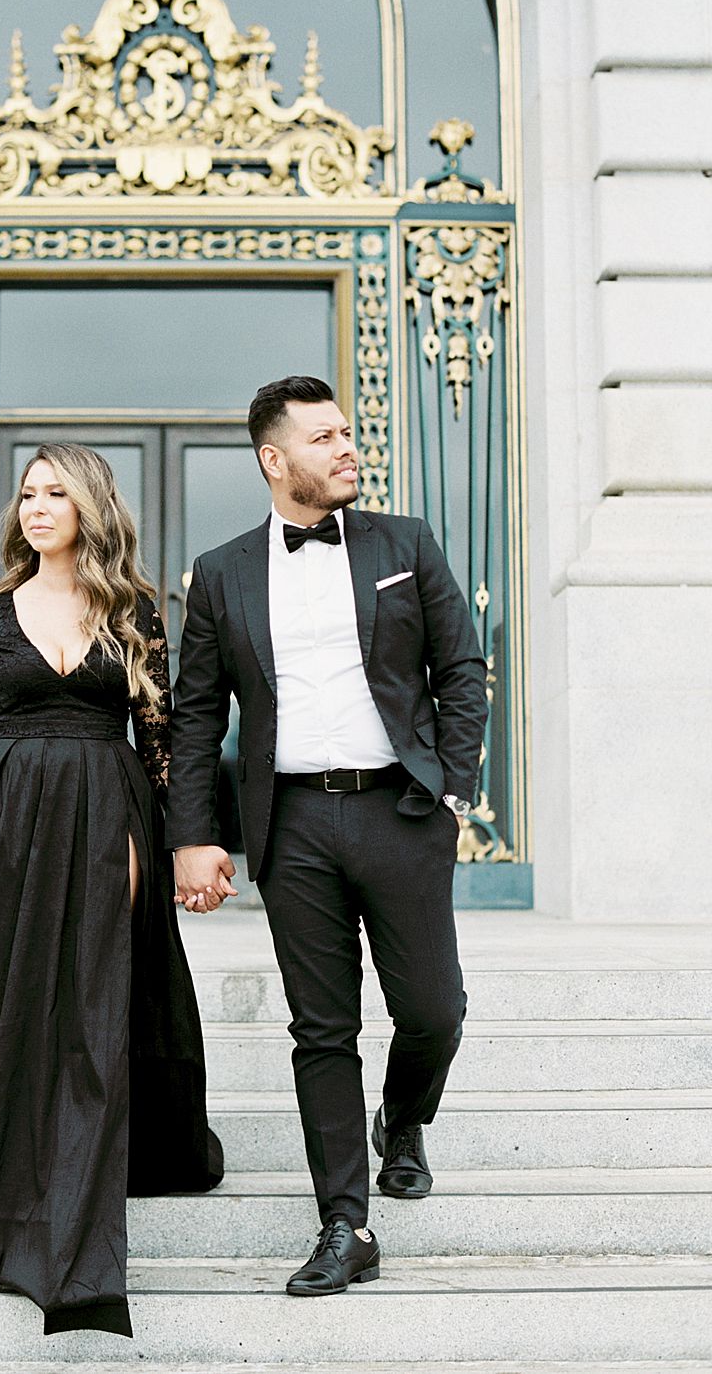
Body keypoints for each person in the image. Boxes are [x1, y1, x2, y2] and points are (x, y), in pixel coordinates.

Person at [0, 442, 224, 1338]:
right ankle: (12, 1160)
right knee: (8, 1003)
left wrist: (172, 842)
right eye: (27, 493)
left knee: (95, 1010)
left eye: (56, 492)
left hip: (109, 818)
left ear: (90, 506)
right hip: (6, 832)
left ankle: (80, 1208)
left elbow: (161, 740)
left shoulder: (134, 613)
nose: (36, 506)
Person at [170, 375, 488, 1297]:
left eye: (346, 432)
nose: (346, 448)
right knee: (322, 1029)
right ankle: (346, 1224)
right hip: (293, 823)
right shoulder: (222, 572)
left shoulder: (405, 543)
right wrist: (194, 835)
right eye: (324, 438)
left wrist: (453, 787)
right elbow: (198, 718)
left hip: (401, 810)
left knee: (432, 1010)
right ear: (274, 460)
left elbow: (461, 667)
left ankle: (404, 1116)